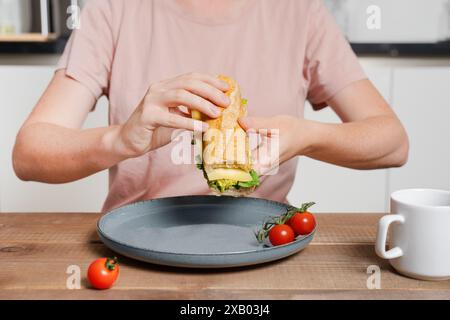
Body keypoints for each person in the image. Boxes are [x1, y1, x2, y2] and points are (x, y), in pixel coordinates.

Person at [12, 0, 409, 212]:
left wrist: (303, 135)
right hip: (137, 249)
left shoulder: (300, 11)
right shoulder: (114, 10)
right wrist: (121, 139)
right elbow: (30, 153)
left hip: (262, 243)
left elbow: (392, 142)